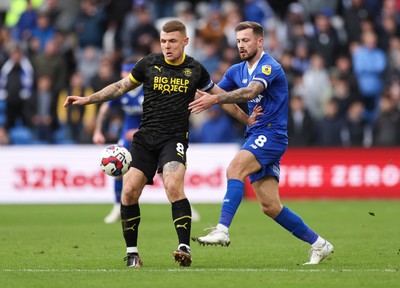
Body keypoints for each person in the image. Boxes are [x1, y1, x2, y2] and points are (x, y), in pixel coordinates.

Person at [64, 19, 261, 268]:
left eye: (173, 42)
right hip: (145, 139)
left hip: (174, 138)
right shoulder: (148, 64)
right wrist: (87, 99)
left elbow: (220, 98)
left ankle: (184, 247)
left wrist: (246, 119)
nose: (167, 46)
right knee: (128, 191)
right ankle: (132, 253)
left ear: (185, 42)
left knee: (173, 186)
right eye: (163, 41)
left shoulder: (196, 70)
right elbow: (120, 86)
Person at [189, 21, 334, 265]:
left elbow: (247, 92)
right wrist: (191, 90)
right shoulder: (236, 70)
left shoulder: (270, 67)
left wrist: (214, 99)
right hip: (256, 133)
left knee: (234, 169)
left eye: (246, 40)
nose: (241, 45)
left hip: (272, 134)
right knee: (270, 206)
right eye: (238, 41)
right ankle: (320, 244)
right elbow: (216, 95)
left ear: (260, 41)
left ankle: (222, 230)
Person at [92, 57, 143, 224]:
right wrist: (98, 130)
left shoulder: (148, 89)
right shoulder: (122, 90)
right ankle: (116, 206)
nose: (125, 74)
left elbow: (160, 114)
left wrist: (140, 131)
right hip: (127, 136)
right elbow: (104, 109)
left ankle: (183, 203)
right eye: (124, 71)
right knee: (118, 167)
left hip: (148, 134)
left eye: (129, 71)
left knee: (165, 171)